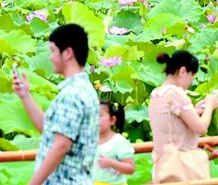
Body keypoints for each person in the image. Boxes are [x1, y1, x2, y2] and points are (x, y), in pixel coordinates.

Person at [13, 24, 99, 185]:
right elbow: (51, 132)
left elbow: (61, 145)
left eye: (52, 51)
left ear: (67, 53)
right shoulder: (84, 89)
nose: (50, 57)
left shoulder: (72, 94)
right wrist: (25, 96)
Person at [149, 50, 218, 183]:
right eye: (191, 77)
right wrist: (209, 106)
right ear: (183, 71)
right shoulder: (176, 93)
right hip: (182, 166)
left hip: (162, 164)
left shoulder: (156, 93)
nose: (190, 83)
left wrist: (195, 110)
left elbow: (172, 120)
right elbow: (201, 128)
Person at [92, 101, 135, 185]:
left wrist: (111, 163)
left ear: (112, 120)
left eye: (100, 115)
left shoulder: (119, 142)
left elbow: (130, 168)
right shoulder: (91, 141)